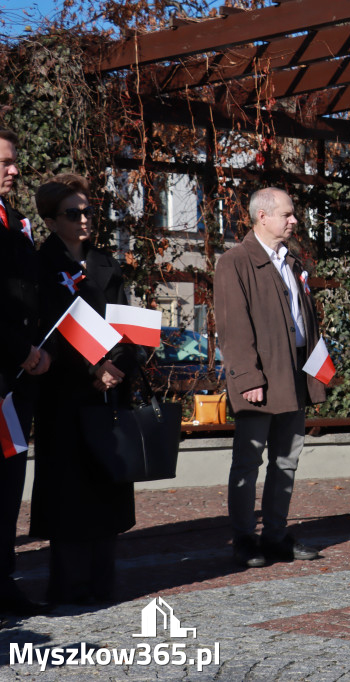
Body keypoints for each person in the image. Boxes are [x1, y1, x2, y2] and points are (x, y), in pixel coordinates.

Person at [31, 174, 135, 604]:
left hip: (108, 393)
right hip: (65, 396)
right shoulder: (40, 266)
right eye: (73, 213)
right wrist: (91, 366)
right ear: (52, 220)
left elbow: (128, 325)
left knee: (106, 487)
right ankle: (69, 587)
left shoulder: (107, 264)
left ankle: (102, 584)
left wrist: (117, 366)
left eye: (89, 210)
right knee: (68, 491)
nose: (85, 219)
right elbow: (43, 329)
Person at [214, 187, 327, 569]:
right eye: (287, 214)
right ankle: (244, 538)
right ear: (262, 217)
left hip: (294, 372)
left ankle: (276, 535)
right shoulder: (235, 262)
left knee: (287, 459)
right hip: (260, 377)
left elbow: (304, 320)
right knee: (248, 461)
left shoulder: (290, 261)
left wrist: (317, 367)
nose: (294, 219)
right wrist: (248, 376)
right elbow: (233, 326)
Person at [0, 130, 49, 616]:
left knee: (9, 480)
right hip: (7, 367)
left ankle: (4, 579)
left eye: (14, 161)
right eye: (5, 162)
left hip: (15, 381)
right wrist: (20, 349)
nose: (14, 169)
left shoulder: (15, 222)